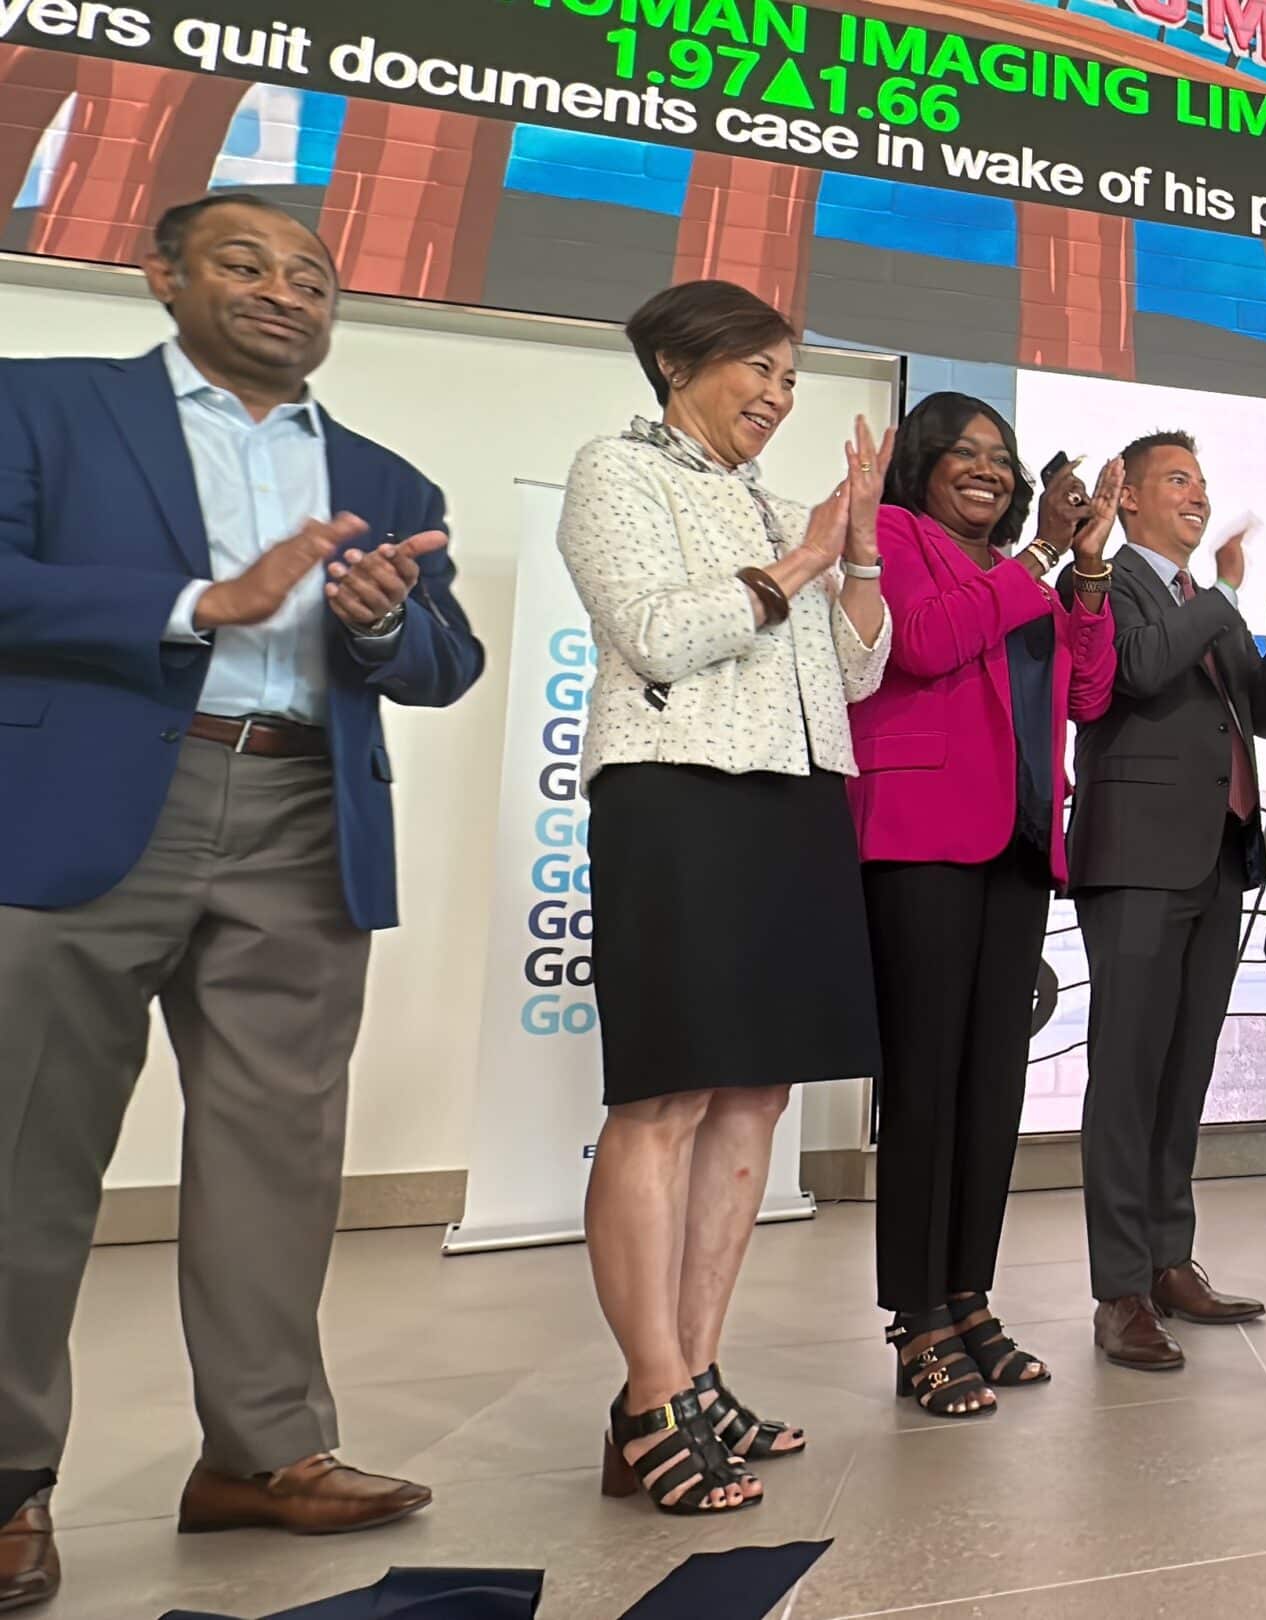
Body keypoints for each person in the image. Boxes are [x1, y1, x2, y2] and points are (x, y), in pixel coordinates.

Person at [0, 192, 484, 1602]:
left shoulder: (383, 476)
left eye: (314, 276)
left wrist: (386, 621)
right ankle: (10, 1482)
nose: (287, 291)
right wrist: (187, 605)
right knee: (28, 1150)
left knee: (279, 1159)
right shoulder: (44, 410)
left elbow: (445, 661)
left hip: (298, 812)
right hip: (87, 810)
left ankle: (261, 1456)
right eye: (246, 263)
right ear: (162, 276)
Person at [558, 279, 891, 1513]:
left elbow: (854, 673)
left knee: (756, 1093)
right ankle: (647, 1396)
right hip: (676, 792)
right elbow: (655, 633)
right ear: (673, 362)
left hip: (792, 794)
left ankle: (697, 1375)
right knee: (666, 1095)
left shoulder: (760, 501)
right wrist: (803, 553)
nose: (778, 395)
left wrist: (851, 556)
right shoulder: (617, 472)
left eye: (792, 378)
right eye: (758, 368)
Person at [850, 394, 1119, 1417]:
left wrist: (1085, 571)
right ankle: (915, 1316)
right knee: (925, 1085)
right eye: (964, 452)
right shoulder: (891, 535)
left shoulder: (1028, 574)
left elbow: (1088, 695)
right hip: (919, 834)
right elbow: (918, 643)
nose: (987, 469)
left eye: (1000, 457)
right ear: (920, 464)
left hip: (1014, 839)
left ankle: (969, 1298)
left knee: (990, 1088)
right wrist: (1039, 562)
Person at [1067, 430, 1266, 1372]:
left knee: (1183, 1074)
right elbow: (1132, 671)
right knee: (1127, 1075)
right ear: (1129, 497)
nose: (1197, 493)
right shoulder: (1101, 578)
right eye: (1177, 480)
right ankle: (1121, 1289)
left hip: (1219, 856)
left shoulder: (1204, 600)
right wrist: (1222, 596)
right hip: (1136, 856)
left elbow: (1257, 709)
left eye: (1203, 481)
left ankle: (1172, 1258)